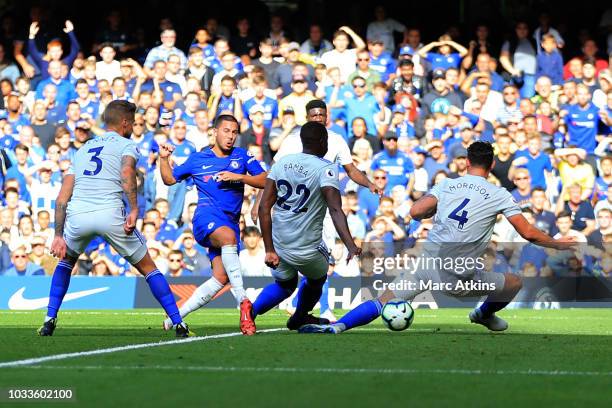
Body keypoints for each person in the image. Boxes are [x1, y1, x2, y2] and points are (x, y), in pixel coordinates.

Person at [299, 141, 575, 334]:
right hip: (461, 275)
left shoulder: (447, 184)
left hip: (427, 267)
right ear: (490, 165)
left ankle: (337, 327)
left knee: (383, 299)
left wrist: (424, 214)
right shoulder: (499, 194)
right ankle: (483, 314)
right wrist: (558, 243)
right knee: (514, 283)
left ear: (466, 162)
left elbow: (416, 211)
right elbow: (527, 233)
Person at [37, 100, 192, 338]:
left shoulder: (82, 149)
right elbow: (127, 173)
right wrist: (133, 209)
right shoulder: (126, 144)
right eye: (133, 121)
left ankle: (49, 320)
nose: (134, 125)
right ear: (125, 123)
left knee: (66, 264)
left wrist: (58, 234)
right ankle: (178, 323)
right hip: (110, 213)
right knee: (148, 268)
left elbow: (61, 198)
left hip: (78, 215)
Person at [159, 114, 266, 336]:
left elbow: (265, 180)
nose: (231, 136)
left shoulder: (243, 156)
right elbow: (169, 179)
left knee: (220, 278)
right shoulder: (198, 159)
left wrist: (239, 177)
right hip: (205, 218)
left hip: (230, 223)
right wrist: (163, 159)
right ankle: (243, 302)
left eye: (234, 132)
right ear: (214, 132)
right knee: (227, 237)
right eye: (226, 131)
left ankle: (174, 317)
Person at [253, 121, 361, 329]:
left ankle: (251, 311)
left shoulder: (281, 163)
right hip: (307, 246)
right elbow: (336, 210)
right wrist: (350, 244)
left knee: (285, 284)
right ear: (323, 142)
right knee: (318, 277)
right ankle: (301, 315)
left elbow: (264, 208)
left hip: (279, 243)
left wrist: (269, 249)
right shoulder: (326, 168)